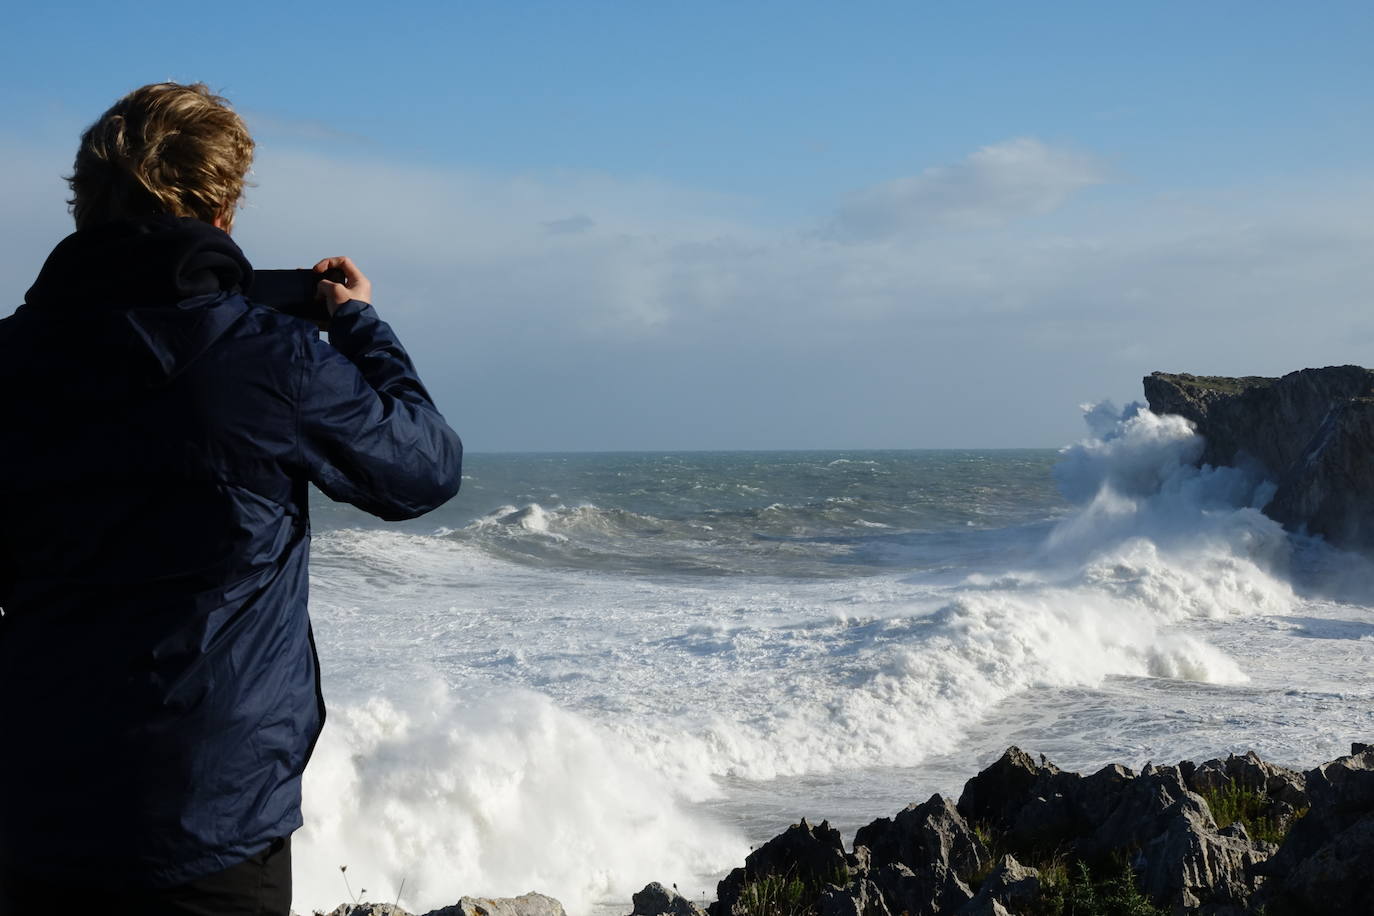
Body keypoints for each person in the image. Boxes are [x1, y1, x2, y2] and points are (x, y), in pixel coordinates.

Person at [0, 82, 462, 914]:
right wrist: (359, 325)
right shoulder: (273, 359)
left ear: (84, 204)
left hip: (37, 810)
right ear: (221, 208)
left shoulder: (13, 359)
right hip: (209, 818)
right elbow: (423, 468)